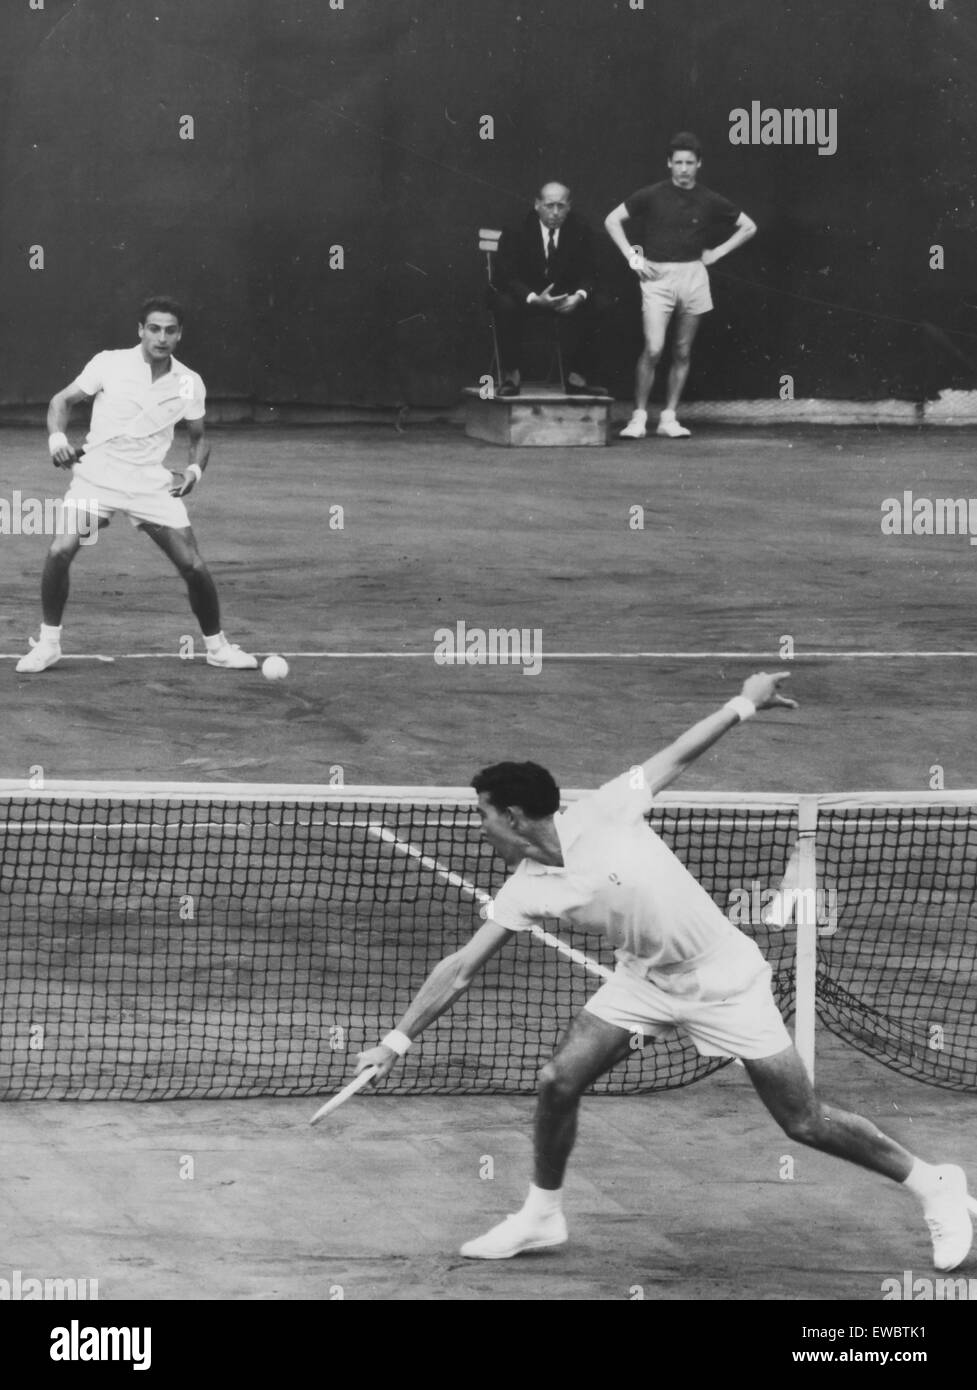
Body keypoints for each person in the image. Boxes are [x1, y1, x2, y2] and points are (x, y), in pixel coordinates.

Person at [355, 672, 976, 1269]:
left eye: (484, 814)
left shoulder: (606, 809)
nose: (480, 826)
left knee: (803, 1121)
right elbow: (461, 967)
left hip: (724, 981)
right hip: (644, 982)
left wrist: (746, 702)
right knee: (558, 1081)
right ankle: (542, 1215)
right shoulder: (525, 888)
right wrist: (394, 1042)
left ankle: (934, 1184)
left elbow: (679, 753)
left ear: (514, 817)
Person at [16, 296, 256, 673]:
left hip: (149, 484)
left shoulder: (188, 382)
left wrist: (194, 471)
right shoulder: (109, 363)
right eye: (154, 329)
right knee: (60, 550)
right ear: (141, 330)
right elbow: (61, 401)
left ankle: (218, 647)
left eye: (170, 331)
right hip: (97, 477)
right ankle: (48, 645)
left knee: (193, 565)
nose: (161, 337)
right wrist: (57, 440)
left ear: (179, 335)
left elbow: (198, 437)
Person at [605, 133, 756, 439]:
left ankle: (669, 417)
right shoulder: (651, 195)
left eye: (689, 163)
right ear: (669, 163)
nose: (684, 169)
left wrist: (717, 253)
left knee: (683, 350)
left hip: (694, 278)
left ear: (699, 164)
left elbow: (748, 226)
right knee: (654, 348)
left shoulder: (709, 199)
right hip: (657, 279)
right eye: (678, 163)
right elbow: (611, 220)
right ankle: (638, 418)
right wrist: (634, 258)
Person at [490, 182, 609, 397]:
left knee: (599, 303)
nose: (555, 212)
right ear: (537, 204)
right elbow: (505, 275)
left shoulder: (581, 228)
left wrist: (578, 296)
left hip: (564, 299)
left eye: (561, 206)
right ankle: (511, 376)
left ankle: (577, 378)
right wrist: (533, 297)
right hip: (527, 297)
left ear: (569, 206)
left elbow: (591, 271)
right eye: (549, 205)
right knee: (504, 303)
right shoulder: (516, 227)